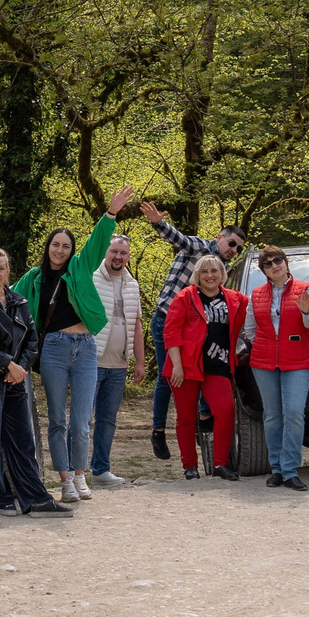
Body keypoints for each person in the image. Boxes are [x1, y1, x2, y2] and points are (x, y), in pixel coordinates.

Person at [31, 189, 136, 500]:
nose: (60, 250)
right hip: (53, 348)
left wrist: (111, 213)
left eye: (66, 246)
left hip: (86, 347)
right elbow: (9, 297)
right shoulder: (35, 277)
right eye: (55, 244)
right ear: (48, 247)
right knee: (57, 420)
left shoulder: (80, 266)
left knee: (80, 420)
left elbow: (97, 242)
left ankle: (80, 475)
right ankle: (64, 480)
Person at [0, 248, 67, 517]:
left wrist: (19, 368)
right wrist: (9, 363)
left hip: (16, 379)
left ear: (8, 271)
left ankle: (35, 498)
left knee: (23, 441)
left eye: (0, 269)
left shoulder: (19, 302)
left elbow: (32, 340)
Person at [137, 201, 246, 461]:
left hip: (197, 330)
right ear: (219, 237)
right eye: (231, 243)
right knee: (168, 376)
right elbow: (178, 238)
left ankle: (204, 417)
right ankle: (158, 430)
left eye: (238, 248)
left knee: (206, 368)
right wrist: (158, 222)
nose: (233, 250)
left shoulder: (222, 270)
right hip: (167, 320)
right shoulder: (199, 247)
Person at [162, 254, 241, 480]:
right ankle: (190, 466)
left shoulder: (235, 299)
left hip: (218, 365)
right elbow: (171, 333)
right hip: (185, 366)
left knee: (225, 410)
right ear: (197, 275)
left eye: (214, 271)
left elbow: (259, 312)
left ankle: (220, 464)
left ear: (222, 274)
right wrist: (177, 366)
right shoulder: (185, 297)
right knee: (186, 417)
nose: (209, 276)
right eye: (204, 272)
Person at [245, 246, 309, 491]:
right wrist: (264, 345)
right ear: (263, 270)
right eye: (268, 263)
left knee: (294, 413)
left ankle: (291, 470)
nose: (274, 265)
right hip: (263, 362)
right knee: (272, 415)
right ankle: (277, 469)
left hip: (297, 361)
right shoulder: (256, 294)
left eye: (278, 260)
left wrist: (305, 310)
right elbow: (250, 328)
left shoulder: (304, 289)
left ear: (286, 263)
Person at [89, 233, 146, 489]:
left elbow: (137, 325)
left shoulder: (132, 285)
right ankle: (72, 471)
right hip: (91, 362)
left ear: (128, 256)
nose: (118, 257)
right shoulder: (91, 278)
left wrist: (139, 362)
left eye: (123, 253)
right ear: (105, 252)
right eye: (114, 251)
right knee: (82, 420)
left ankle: (100, 470)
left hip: (119, 366)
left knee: (108, 420)